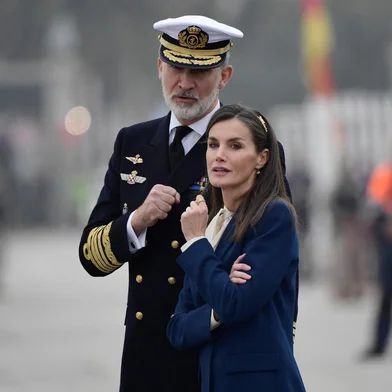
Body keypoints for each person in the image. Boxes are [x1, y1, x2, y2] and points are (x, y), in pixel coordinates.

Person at [79, 15, 291, 392]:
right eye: (176, 67)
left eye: (200, 72)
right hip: (149, 350)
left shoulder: (252, 147)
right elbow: (90, 257)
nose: (185, 83)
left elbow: (272, 266)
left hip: (217, 350)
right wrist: (138, 221)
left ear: (224, 77)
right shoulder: (132, 143)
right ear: (160, 67)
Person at [167, 104, 306, 392]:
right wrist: (217, 312)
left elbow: (236, 303)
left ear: (261, 158)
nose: (219, 155)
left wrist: (195, 243)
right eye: (213, 144)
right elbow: (177, 329)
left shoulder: (273, 216)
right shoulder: (212, 224)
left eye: (235, 146)